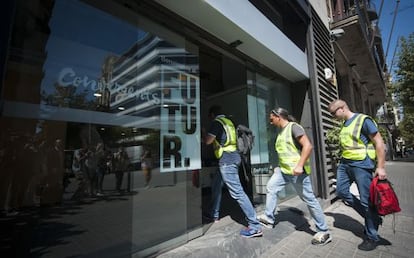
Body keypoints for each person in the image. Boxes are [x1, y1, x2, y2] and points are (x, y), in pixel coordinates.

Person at [257, 107, 332, 245]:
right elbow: (286, 152)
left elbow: (307, 146)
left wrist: (299, 165)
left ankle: (324, 231)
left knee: (309, 200)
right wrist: (279, 167)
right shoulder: (281, 132)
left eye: (271, 118)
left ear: (278, 116)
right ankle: (268, 218)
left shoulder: (294, 127)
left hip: (297, 173)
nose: (270, 121)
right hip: (284, 172)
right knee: (271, 187)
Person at [328, 99, 386, 251]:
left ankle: (372, 236)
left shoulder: (363, 120)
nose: (333, 117)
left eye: (334, 113)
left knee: (367, 200)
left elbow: (379, 143)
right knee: (341, 191)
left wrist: (380, 167)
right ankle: (373, 218)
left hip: (362, 164)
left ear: (342, 108)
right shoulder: (344, 124)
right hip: (345, 164)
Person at [204, 105, 262, 238]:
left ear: (212, 115)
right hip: (233, 158)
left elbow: (208, 141)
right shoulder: (230, 122)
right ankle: (214, 214)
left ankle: (255, 225)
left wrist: (203, 134)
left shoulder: (217, 123)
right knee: (216, 186)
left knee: (238, 193)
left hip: (227, 161)